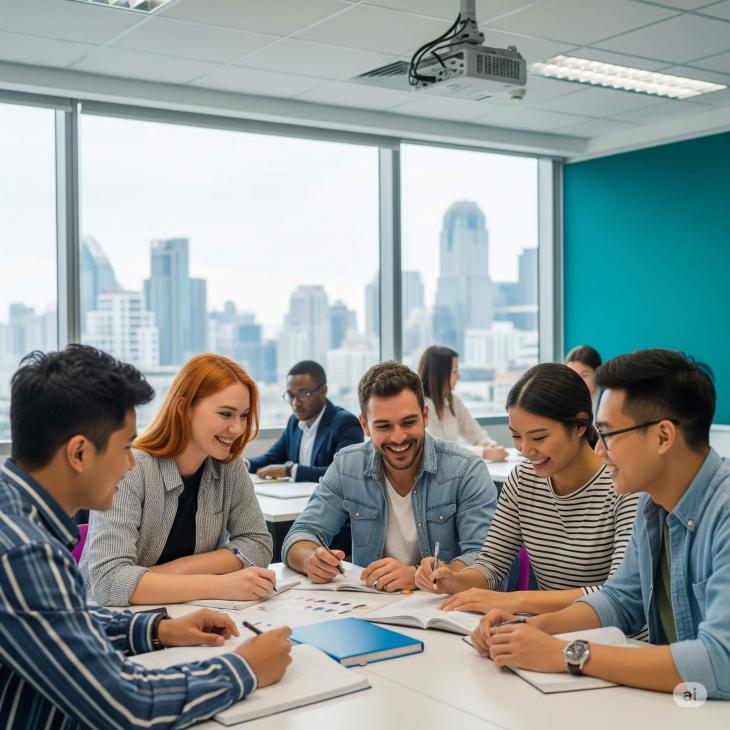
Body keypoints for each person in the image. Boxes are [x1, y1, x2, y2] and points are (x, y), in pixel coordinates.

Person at [0, 345, 292, 729]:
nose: (128, 463)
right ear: (79, 453)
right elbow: (127, 703)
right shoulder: (25, 553)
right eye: (124, 448)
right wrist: (244, 667)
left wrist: (156, 628)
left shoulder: (19, 519)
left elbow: (67, 619)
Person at [470, 349, 730, 699]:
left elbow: (720, 662)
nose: (599, 451)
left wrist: (568, 654)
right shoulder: (653, 504)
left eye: (608, 435)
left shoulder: (722, 512)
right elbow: (620, 599)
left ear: (663, 437)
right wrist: (526, 628)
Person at [415, 363, 641, 622]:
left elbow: (615, 593)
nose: (525, 449)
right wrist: (453, 579)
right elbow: (491, 566)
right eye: (516, 436)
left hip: (616, 639)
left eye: (539, 437)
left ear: (580, 425)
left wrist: (514, 600)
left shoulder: (623, 487)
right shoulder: (523, 480)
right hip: (546, 631)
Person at [282, 361, 497, 592]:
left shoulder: (466, 470)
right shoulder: (347, 465)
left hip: (441, 608)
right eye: (384, 426)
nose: (398, 438)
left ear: (425, 416)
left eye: (408, 422)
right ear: (364, 425)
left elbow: (483, 560)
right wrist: (310, 559)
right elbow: (301, 534)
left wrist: (418, 576)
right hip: (370, 607)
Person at [81, 353, 274, 606]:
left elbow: (258, 544)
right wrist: (219, 583)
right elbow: (108, 582)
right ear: (184, 408)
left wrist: (174, 570)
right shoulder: (131, 468)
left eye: (244, 415)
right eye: (226, 414)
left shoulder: (229, 467)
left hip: (186, 614)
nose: (238, 429)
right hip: (117, 622)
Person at [246, 360, 363, 482]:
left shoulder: (346, 423)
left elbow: (344, 473)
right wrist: (244, 464)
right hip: (297, 497)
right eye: (291, 396)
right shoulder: (294, 422)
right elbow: (271, 459)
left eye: (303, 394)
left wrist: (290, 471)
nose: (295, 403)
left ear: (323, 391)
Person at [418, 345, 508, 461]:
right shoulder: (418, 406)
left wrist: (489, 445)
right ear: (439, 373)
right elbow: (437, 449)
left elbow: (475, 434)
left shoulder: (454, 402)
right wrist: (484, 453)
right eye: (454, 370)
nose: (458, 376)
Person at [565, 345, 603, 419]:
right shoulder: (565, 400)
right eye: (573, 376)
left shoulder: (609, 399)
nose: (578, 381)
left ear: (597, 373)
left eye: (584, 375)